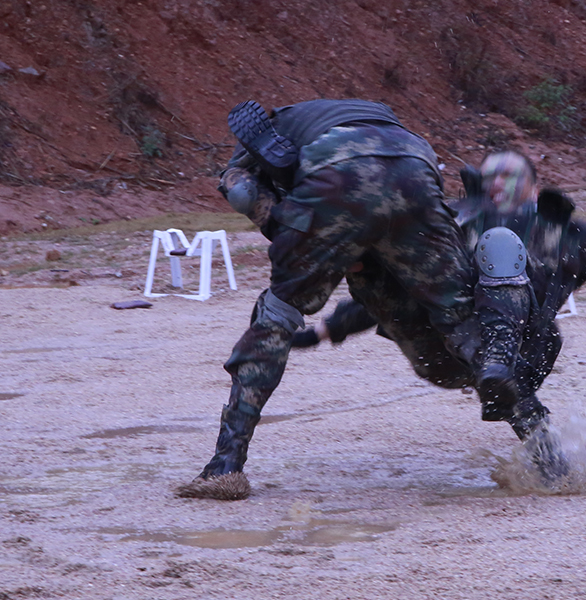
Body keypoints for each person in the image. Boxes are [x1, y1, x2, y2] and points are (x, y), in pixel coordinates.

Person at [178, 99, 520, 500]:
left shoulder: (270, 130)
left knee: (277, 314)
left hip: (332, 176)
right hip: (414, 165)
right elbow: (393, 198)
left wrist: (290, 231)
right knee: (461, 318)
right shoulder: (375, 115)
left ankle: (225, 468)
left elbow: (241, 190)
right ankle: (545, 450)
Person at [291, 151, 586, 446]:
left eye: (511, 181)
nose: (502, 190)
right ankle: (539, 443)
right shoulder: (458, 230)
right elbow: (399, 289)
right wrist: (327, 330)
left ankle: (533, 436)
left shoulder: (562, 238)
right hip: (444, 346)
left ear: (528, 190)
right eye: (495, 182)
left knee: (531, 345)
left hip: (500, 356)